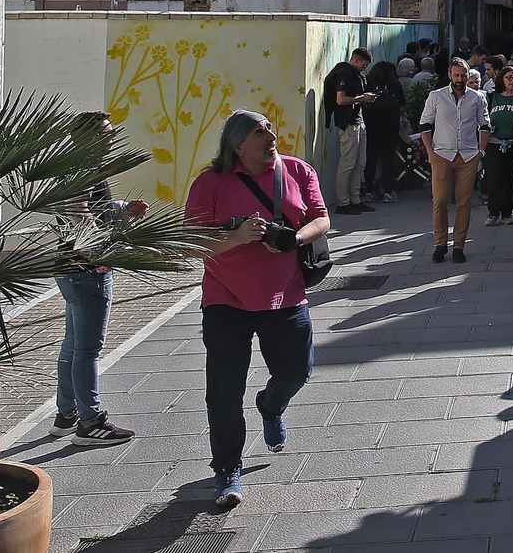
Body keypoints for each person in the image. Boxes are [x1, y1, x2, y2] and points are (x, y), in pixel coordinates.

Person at [185, 110, 330, 509]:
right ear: (238, 145)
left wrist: (294, 238)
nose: (270, 135)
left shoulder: (297, 171)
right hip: (225, 298)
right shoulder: (209, 183)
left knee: (297, 371)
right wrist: (236, 237)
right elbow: (192, 243)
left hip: (285, 294)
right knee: (225, 391)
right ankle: (227, 469)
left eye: (269, 128)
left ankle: (271, 404)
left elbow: (321, 219)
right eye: (258, 131)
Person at [48, 112, 149, 447]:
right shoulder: (83, 168)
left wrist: (121, 208)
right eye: (106, 133)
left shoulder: (72, 165)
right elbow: (78, 214)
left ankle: (66, 414)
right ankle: (90, 422)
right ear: (90, 138)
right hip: (87, 269)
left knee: (73, 343)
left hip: (69, 266)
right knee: (87, 349)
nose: (112, 138)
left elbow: (90, 207)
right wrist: (101, 253)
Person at [418, 56, 491, 264]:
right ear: (449, 74)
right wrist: (430, 152)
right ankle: (440, 243)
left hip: (468, 155)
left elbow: (485, 125)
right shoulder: (436, 96)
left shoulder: (477, 97)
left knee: (464, 202)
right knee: (440, 200)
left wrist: (481, 152)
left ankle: (459, 246)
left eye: (463, 75)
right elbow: (425, 124)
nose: (460, 79)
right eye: (456, 75)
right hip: (441, 154)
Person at [322, 47, 376, 215]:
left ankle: (355, 199)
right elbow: (340, 100)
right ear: (356, 60)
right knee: (347, 164)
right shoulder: (345, 73)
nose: (364, 69)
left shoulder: (355, 75)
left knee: (360, 163)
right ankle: (343, 202)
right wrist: (362, 98)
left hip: (358, 121)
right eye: (364, 65)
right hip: (348, 123)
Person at [484, 66, 513, 226]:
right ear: (501, 79)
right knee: (494, 179)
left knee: (512, 180)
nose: (512, 80)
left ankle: (507, 213)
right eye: (508, 77)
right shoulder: (492, 97)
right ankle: (493, 212)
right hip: (494, 143)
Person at [363, 60, 404, 204]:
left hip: (371, 125)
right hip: (389, 126)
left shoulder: (368, 83)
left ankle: (369, 191)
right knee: (387, 159)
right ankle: (388, 192)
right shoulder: (394, 84)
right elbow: (401, 103)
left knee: (371, 159)